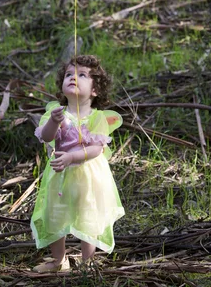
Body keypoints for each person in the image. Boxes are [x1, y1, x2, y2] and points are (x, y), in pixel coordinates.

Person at [30, 55, 125, 273]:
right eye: (68, 74)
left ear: (95, 90)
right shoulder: (57, 112)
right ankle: (58, 260)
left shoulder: (97, 117)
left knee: (88, 213)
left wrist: (73, 157)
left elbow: (97, 149)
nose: (73, 77)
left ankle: (87, 260)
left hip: (88, 177)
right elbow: (46, 137)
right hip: (60, 175)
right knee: (54, 213)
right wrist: (54, 122)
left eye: (82, 75)